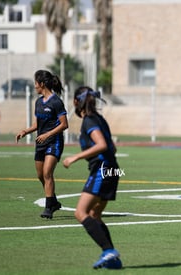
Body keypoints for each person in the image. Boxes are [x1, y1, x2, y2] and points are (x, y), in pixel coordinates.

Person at [63, 86, 122, 269]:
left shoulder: (89, 121)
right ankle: (112, 258)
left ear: (75, 102)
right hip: (113, 170)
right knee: (95, 215)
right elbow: (113, 147)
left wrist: (75, 157)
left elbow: (102, 144)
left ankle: (109, 251)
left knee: (80, 213)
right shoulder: (100, 119)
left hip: (102, 171)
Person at [16, 70, 68, 219]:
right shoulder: (38, 102)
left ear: (42, 84)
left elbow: (64, 124)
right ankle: (54, 201)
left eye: (36, 83)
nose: (34, 86)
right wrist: (26, 131)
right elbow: (37, 124)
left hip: (54, 141)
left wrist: (47, 134)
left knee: (47, 173)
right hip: (41, 143)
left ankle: (48, 209)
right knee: (40, 175)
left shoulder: (56, 102)